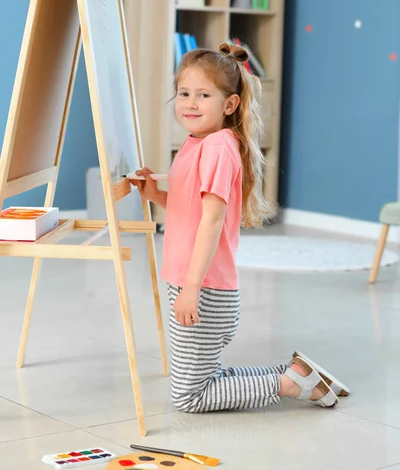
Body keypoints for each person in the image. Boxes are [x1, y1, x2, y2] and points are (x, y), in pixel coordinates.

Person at [130, 43, 350, 413]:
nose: (190, 103)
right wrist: (155, 194)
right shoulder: (196, 142)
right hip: (188, 281)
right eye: (184, 93)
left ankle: (288, 383)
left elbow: (212, 221)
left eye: (203, 95)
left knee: (189, 397)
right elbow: (192, 209)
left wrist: (191, 288)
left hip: (203, 287)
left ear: (229, 105)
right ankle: (294, 372)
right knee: (204, 376)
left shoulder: (218, 147)